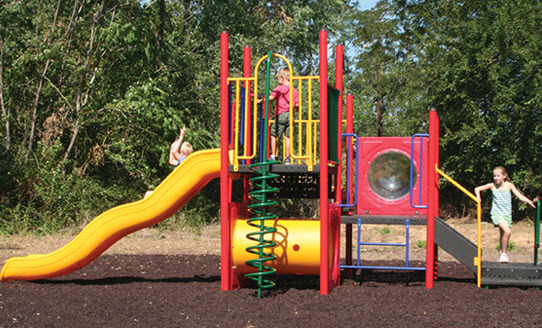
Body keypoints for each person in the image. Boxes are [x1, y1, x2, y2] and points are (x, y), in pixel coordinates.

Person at [474, 166, 537, 263]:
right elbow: (477, 188)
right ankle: (504, 254)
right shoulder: (492, 186)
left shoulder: (509, 186)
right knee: (507, 232)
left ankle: (502, 254)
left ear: (504, 176)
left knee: (503, 234)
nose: (496, 178)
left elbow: (520, 196)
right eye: (494, 176)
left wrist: (530, 202)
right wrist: (478, 197)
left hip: (507, 214)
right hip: (496, 213)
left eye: (498, 176)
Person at [259, 67, 299, 164]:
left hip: (281, 114)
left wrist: (261, 101)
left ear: (282, 78)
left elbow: (271, 98)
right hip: (291, 115)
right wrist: (296, 109)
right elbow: (297, 105)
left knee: (274, 134)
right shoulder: (294, 90)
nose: (278, 81)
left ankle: (273, 155)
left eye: (278, 79)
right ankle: (287, 158)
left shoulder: (279, 88)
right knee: (288, 137)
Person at [144, 127, 193, 198]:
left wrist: (181, 137)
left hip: (174, 188)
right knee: (148, 193)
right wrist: (172, 146)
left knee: (148, 194)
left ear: (185, 154)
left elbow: (174, 152)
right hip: (172, 187)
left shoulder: (185, 161)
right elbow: (171, 161)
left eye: (181, 153)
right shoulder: (182, 163)